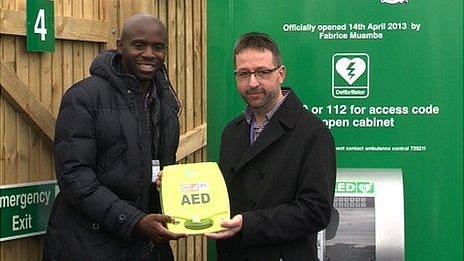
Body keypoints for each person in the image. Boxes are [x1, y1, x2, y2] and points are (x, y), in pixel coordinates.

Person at [43, 14, 185, 260]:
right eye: (139, 45)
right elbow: (75, 177)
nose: (149, 54)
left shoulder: (165, 102)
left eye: (158, 47)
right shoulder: (84, 97)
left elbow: (159, 168)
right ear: (120, 47)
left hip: (146, 247)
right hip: (89, 244)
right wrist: (133, 221)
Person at [206, 32, 337, 260]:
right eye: (243, 74)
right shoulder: (231, 132)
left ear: (281, 74)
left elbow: (315, 211)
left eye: (262, 72)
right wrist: (177, 188)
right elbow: (222, 193)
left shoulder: (313, 133)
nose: (253, 82)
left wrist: (249, 224)